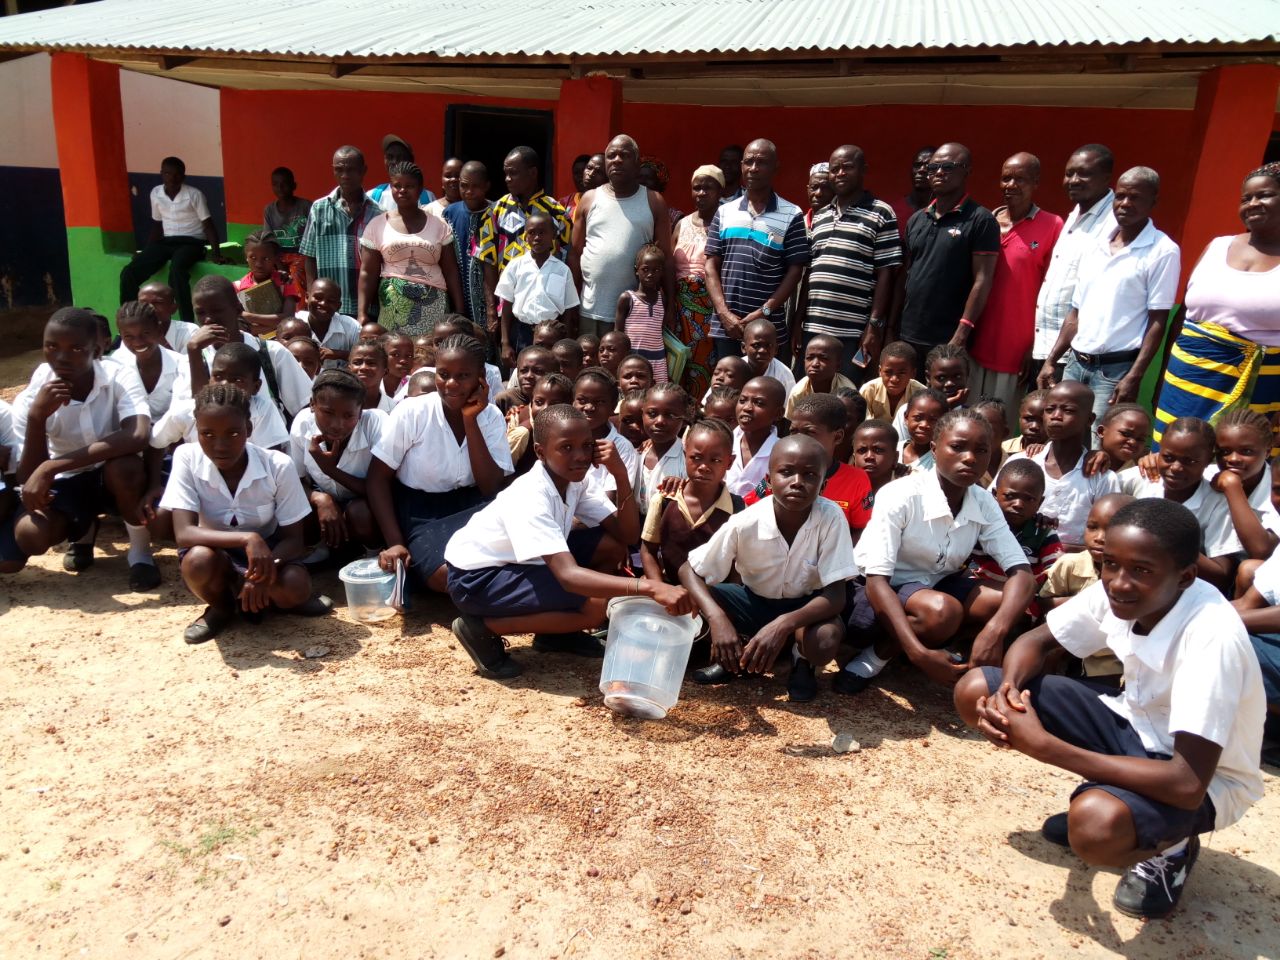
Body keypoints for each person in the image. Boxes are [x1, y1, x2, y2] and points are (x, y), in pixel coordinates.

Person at [954, 498, 1264, 921]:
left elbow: (1187, 782)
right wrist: (1008, 695)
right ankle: (1121, 802)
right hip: (1135, 721)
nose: (1118, 582)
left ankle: (1172, 846)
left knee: (1096, 828)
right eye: (1111, 564)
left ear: (1186, 577)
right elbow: (1037, 642)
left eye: (1141, 570)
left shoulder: (1211, 638)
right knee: (977, 688)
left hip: (1203, 777)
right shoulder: (1119, 587)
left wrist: (1045, 746)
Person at [444, 405, 691, 677]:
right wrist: (649, 587)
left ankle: (556, 634)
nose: (581, 457)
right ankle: (480, 628)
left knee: (611, 547)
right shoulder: (531, 495)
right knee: (596, 606)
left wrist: (620, 476)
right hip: (477, 580)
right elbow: (568, 576)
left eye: (587, 446)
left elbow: (626, 535)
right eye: (567, 447)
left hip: (520, 565)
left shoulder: (574, 481)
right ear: (540, 452)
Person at [841, 408, 1035, 693]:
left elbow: (1022, 573)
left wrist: (995, 631)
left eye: (981, 450)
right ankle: (876, 656)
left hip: (932, 584)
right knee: (943, 612)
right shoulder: (901, 494)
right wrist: (920, 656)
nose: (970, 458)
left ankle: (962, 655)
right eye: (957, 447)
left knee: (1007, 600)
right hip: (874, 591)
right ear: (934, 448)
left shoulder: (982, 500)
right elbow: (877, 580)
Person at [682, 435, 856, 701]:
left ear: (824, 483)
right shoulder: (745, 521)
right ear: (769, 477)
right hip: (755, 602)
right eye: (786, 472)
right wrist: (718, 619)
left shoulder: (831, 517)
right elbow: (689, 569)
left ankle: (803, 661)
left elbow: (835, 596)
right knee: (694, 598)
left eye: (810, 474)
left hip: (807, 607)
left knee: (824, 640)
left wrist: (783, 624)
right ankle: (734, 657)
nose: (797, 482)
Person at [161, 383, 330, 643]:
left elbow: (294, 541)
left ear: (248, 430)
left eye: (232, 433)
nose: (220, 445)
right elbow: (184, 533)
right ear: (196, 430)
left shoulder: (276, 465)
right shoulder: (186, 457)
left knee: (296, 586)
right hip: (215, 552)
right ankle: (222, 607)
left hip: (270, 552)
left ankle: (256, 596)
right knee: (197, 562)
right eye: (207, 434)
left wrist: (262, 574)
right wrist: (247, 538)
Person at [0, 309, 151, 582]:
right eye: (51, 346)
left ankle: (140, 553)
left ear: (97, 350)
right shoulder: (34, 395)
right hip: (68, 482)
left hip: (111, 475)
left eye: (76, 348)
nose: (61, 357)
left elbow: (138, 434)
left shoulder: (119, 375)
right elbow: (27, 478)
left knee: (125, 468)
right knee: (30, 535)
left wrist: (53, 465)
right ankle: (84, 529)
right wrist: (37, 418)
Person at [1038, 167, 1180, 429]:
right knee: (1060, 437)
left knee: (1100, 446)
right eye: (1121, 196)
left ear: (1153, 202)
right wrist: (1050, 360)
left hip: (1115, 373)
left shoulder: (1163, 251)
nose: (1125, 204)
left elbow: (1157, 321)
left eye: (1135, 197)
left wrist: (1134, 376)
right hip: (1075, 364)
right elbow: (1075, 313)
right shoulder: (1096, 245)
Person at [368, 334, 512, 593]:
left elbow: (490, 486)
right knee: (446, 575)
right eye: (443, 374)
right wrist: (395, 542)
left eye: (463, 376)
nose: (451, 384)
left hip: (474, 504)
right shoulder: (413, 411)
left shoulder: (490, 417)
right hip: (423, 511)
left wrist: (471, 421)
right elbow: (377, 478)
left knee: (516, 548)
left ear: (481, 377)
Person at [1154, 162, 1280, 444]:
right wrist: (1163, 378)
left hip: (1261, 390)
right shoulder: (1217, 246)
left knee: (1236, 467)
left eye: (1264, 195)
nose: (1253, 203)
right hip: (1184, 381)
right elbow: (1184, 315)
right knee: (1173, 457)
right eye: (1246, 198)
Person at [968, 153, 1064, 412]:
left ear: (1036, 183)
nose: (1011, 185)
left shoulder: (1052, 226)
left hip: (1016, 349)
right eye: (1006, 178)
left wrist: (1035, 345)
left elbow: (1052, 291)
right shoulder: (984, 222)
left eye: (1020, 179)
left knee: (1001, 423)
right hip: (974, 344)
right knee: (968, 419)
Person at [796, 145, 901, 379]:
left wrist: (874, 325)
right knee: (809, 395)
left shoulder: (881, 213)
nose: (840, 173)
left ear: (863, 170)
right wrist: (797, 324)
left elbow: (886, 273)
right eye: (835, 169)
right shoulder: (821, 216)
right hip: (813, 327)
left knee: (847, 397)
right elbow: (810, 273)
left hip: (853, 331)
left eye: (847, 167)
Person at [705, 139, 810, 364]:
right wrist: (724, 313)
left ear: (775, 168)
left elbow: (795, 272)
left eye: (761, 162)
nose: (753, 168)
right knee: (729, 390)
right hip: (727, 327)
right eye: (749, 162)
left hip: (768, 329)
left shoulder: (792, 214)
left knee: (765, 391)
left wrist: (764, 312)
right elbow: (711, 265)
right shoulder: (724, 212)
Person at [896, 143, 999, 360]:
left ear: (966, 170)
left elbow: (983, 279)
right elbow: (906, 274)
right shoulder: (917, 219)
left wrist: (962, 333)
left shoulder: (981, 220)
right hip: (909, 334)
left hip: (949, 338)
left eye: (948, 166)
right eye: (933, 168)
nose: (939, 172)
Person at [1119, 417, 1246, 593]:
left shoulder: (1217, 502)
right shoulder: (1143, 478)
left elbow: (1222, 575)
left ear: (1209, 459)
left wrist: (1168, 538)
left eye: (1190, 461)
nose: (1176, 467)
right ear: (1158, 452)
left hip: (1183, 590)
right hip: (1128, 578)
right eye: (1168, 457)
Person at [571, 135, 674, 339]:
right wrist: (571, 303)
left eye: (624, 155)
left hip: (635, 311)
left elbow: (667, 259)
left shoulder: (654, 201)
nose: (617, 160)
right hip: (590, 309)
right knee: (591, 369)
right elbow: (575, 254)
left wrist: (670, 306)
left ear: (637, 163)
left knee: (629, 369)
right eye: (612, 155)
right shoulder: (589, 199)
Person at [1033, 144, 1117, 383]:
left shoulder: (1114, 224)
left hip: (1075, 355)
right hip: (1046, 346)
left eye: (1084, 174)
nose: (1073, 180)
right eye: (1069, 173)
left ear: (1106, 177)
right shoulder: (1074, 215)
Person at [357, 161, 464, 339]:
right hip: (394, 306)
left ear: (420, 189)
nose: (402, 191)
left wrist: (459, 310)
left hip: (434, 303)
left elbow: (451, 271)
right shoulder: (377, 225)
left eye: (409, 186)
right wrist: (362, 313)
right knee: (395, 355)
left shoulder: (438, 226)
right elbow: (368, 272)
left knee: (429, 354)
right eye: (397, 186)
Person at [183, 274, 313, 420]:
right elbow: (195, 417)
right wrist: (194, 352)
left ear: (238, 309)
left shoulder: (271, 353)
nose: (208, 319)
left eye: (217, 310)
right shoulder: (193, 360)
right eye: (200, 313)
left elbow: (306, 409)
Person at [289, 369, 386, 563]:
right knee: (297, 510)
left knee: (359, 512)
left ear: (361, 411)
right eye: (328, 412)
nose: (337, 424)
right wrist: (320, 498)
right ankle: (321, 549)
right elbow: (295, 482)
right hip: (327, 500)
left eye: (348, 415)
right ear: (312, 405)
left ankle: (373, 552)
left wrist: (330, 470)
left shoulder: (376, 424)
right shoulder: (302, 424)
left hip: (367, 505)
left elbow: (382, 490)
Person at [1039, 492, 1135, 682]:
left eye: (1110, 530)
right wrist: (1085, 606)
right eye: (1092, 527)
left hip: (1110, 661)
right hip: (1067, 648)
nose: (1099, 537)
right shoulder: (1069, 564)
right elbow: (1043, 603)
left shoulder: (1135, 579)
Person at [748, 393, 872, 540]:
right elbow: (749, 510)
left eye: (809, 432)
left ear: (837, 437)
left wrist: (837, 555)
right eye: (793, 431)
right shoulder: (781, 474)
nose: (799, 439)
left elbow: (861, 529)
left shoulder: (856, 480)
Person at [1014, 380, 1120, 549]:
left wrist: (1054, 551)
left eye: (1068, 410)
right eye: (1049, 410)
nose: (1056, 416)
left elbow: (1108, 538)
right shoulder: (1021, 463)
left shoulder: (1102, 477)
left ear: (1090, 419)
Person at [120, 157, 226, 324]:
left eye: (177, 175)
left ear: (183, 176)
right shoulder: (156, 193)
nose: (172, 178)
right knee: (129, 273)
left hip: (192, 242)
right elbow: (157, 224)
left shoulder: (194, 194)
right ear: (162, 174)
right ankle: (130, 320)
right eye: (168, 173)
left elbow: (208, 225)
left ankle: (187, 323)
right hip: (167, 241)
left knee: (177, 271)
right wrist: (146, 252)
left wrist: (216, 253)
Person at [479, 147, 571, 337]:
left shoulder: (556, 212)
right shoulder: (496, 211)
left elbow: (567, 259)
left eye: (513, 173)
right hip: (507, 310)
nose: (507, 179)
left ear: (533, 173)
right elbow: (487, 261)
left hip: (546, 313)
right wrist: (491, 309)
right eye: (506, 173)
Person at [640, 417, 741, 584]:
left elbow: (738, 566)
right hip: (670, 592)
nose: (704, 467)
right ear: (685, 456)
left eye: (715, 460)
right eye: (696, 458)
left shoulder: (737, 509)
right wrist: (660, 589)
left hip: (715, 598)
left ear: (729, 462)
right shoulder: (664, 501)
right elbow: (648, 551)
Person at [969, 459, 1063, 613]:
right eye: (1010, 496)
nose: (1018, 504)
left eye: (1029, 499)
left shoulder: (1043, 532)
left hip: (1025, 601)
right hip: (981, 596)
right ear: (994, 494)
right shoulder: (981, 525)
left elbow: (1055, 572)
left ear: (1040, 502)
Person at [495, 212, 580, 366]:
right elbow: (506, 305)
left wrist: (565, 341)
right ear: (525, 237)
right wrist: (505, 343)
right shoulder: (515, 266)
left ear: (553, 235)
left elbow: (568, 309)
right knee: (523, 372)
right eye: (532, 233)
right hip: (521, 332)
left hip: (551, 335)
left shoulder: (562, 270)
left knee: (548, 371)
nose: (537, 237)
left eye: (542, 232)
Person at [300, 146, 377, 316]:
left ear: (363, 171)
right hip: (328, 306)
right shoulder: (319, 209)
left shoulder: (377, 213)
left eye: (351, 170)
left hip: (365, 308)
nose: (345, 176)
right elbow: (309, 257)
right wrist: (312, 293)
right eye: (339, 170)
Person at [672, 165, 724, 398]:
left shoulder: (726, 224)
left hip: (709, 310)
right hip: (680, 309)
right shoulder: (681, 223)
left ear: (720, 191)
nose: (701, 193)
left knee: (705, 364)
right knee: (678, 362)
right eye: (697, 188)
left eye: (708, 188)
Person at [442, 161, 495, 334]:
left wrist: (492, 307)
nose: (469, 192)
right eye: (464, 186)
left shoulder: (497, 213)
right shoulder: (450, 213)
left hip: (491, 300)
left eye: (475, 186)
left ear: (487, 186)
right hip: (457, 297)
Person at [573, 367, 640, 496]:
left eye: (599, 402)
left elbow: (611, 501)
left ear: (613, 406)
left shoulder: (622, 448)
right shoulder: (563, 438)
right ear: (573, 402)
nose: (589, 407)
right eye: (582, 400)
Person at [613, 243, 668, 382]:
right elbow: (618, 334)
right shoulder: (627, 298)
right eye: (645, 269)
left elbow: (660, 329)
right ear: (637, 270)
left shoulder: (662, 298)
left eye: (656, 270)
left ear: (662, 272)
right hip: (633, 360)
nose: (650, 274)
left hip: (658, 359)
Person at [726, 376, 784, 496]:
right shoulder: (722, 441)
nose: (747, 408)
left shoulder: (781, 453)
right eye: (742, 400)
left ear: (778, 413)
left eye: (759, 403)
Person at [263, 166, 312, 307]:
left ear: (293, 186)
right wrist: (278, 264)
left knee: (296, 274)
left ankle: (299, 311)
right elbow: (268, 240)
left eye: (284, 184)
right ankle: (272, 310)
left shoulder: (306, 206)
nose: (280, 188)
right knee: (264, 274)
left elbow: (313, 236)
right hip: (278, 255)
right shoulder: (269, 210)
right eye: (275, 184)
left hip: (301, 254)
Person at [235, 230, 300, 336]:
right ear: (246, 257)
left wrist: (248, 316)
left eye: (265, 258)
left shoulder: (285, 282)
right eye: (253, 258)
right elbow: (242, 327)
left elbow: (288, 318)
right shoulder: (238, 287)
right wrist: (275, 324)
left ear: (275, 258)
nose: (259, 264)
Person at [636, 382, 690, 508]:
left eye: (670, 415)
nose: (660, 421)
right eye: (652, 413)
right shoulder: (635, 454)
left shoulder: (687, 460)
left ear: (683, 420)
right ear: (642, 414)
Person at [785, 334, 856, 419]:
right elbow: (791, 422)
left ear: (838, 366)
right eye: (809, 358)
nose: (815, 364)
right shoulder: (798, 392)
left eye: (823, 358)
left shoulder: (847, 392)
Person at [295, 278, 360, 369]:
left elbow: (365, 356)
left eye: (331, 301)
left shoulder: (351, 327)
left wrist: (338, 354)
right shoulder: (295, 323)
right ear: (306, 297)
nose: (323, 304)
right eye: (318, 297)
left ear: (338, 306)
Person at [366, 134, 436, 212]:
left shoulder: (427, 197)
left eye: (400, 157)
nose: (394, 161)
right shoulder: (373, 196)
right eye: (390, 157)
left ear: (410, 161)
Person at [859, 340, 924, 423]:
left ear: (913, 373)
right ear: (880, 371)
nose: (894, 379)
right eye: (888, 372)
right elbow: (862, 425)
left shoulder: (921, 394)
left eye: (902, 373)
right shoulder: (868, 390)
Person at [888, 147, 935, 240]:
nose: (921, 170)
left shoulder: (946, 211)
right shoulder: (892, 212)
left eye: (928, 166)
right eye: (917, 165)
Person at [897, 388, 948, 473]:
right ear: (906, 418)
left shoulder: (941, 461)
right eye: (918, 418)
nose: (924, 425)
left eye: (933, 420)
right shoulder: (892, 450)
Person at [740, 318, 796, 394]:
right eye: (756, 345)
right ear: (744, 348)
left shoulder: (784, 375)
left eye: (768, 345)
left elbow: (789, 405)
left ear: (776, 349)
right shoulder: (735, 371)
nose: (762, 350)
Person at [138, 282, 196, 354]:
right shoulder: (132, 333)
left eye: (157, 302)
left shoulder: (189, 331)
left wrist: (162, 342)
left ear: (173, 308)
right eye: (143, 303)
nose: (149, 307)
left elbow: (189, 364)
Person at [639, 156, 683, 226]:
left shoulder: (673, 217)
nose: (643, 182)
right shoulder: (630, 210)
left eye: (649, 178)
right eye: (639, 177)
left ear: (658, 183)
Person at [559, 153, 591, 221]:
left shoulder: (603, 200)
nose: (580, 176)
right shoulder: (563, 203)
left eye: (583, 171)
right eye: (576, 173)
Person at [803, 163, 833, 228]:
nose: (818, 193)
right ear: (808, 190)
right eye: (814, 187)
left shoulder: (840, 224)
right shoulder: (798, 225)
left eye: (825, 188)